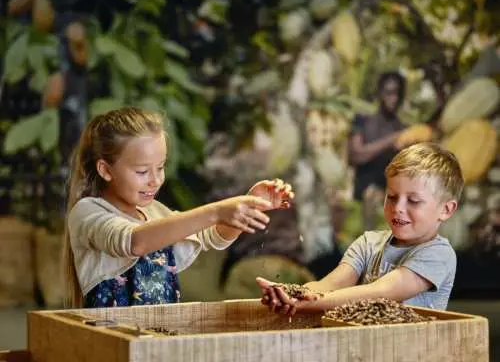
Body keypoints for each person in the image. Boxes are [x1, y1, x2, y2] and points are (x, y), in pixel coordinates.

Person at [63, 106, 294, 308]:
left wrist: (249, 205)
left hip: (160, 342)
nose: (155, 180)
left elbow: (213, 237)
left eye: (160, 167)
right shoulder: (88, 212)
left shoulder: (156, 212)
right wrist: (217, 210)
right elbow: (134, 242)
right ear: (105, 170)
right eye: (142, 172)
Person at [256, 142, 463, 314]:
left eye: (413, 201)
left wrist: (308, 303)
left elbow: (380, 291)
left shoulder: (439, 254)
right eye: (391, 197)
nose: (398, 208)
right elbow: (329, 285)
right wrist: (292, 294)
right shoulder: (368, 243)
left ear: (446, 209)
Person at [349, 72, 407, 202]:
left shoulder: (401, 128)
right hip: (360, 200)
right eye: (390, 93)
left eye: (398, 94)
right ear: (380, 93)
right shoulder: (362, 120)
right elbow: (357, 155)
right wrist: (390, 140)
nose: (394, 98)